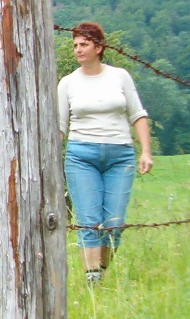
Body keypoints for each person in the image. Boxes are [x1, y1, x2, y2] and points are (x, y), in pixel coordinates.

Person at [58, 21, 153, 284]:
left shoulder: (119, 76)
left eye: (84, 44)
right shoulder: (67, 83)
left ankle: (101, 270)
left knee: (114, 223)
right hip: (81, 155)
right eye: (75, 45)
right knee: (89, 220)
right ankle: (93, 280)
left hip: (120, 155)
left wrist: (146, 151)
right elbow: (60, 127)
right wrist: (51, 158)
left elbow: (137, 114)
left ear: (99, 47)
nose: (78, 50)